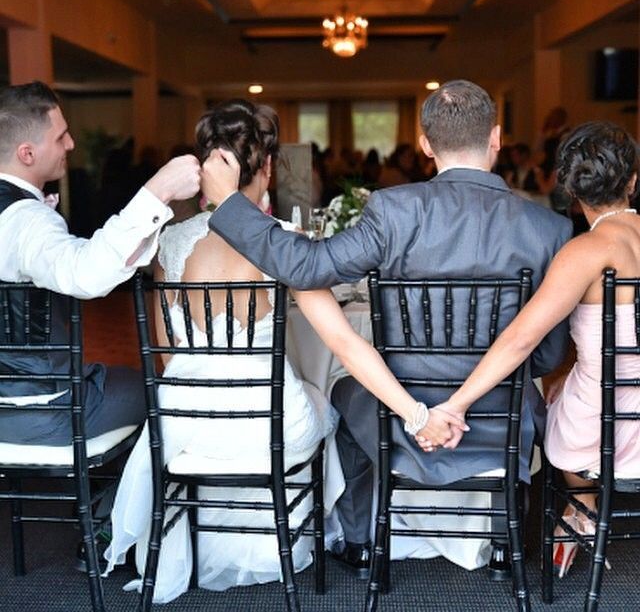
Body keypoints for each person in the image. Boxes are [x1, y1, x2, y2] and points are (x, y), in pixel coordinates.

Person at [201, 80, 573, 579]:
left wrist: (228, 203)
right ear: (497, 138)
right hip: (501, 412)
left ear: (424, 143)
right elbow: (547, 356)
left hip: (399, 411)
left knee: (342, 392)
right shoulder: (548, 229)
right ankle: (505, 545)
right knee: (535, 397)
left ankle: (359, 541)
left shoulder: (392, 210)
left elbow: (308, 268)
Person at [104, 99, 465, 603]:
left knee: (303, 396)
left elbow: (168, 351)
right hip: (266, 425)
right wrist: (414, 413)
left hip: (184, 421)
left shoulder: (170, 244)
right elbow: (343, 340)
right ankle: (309, 534)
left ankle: (213, 536)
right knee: (327, 397)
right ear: (269, 167)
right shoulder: (282, 243)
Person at [424, 120, 640, 578]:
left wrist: (456, 404)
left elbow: (521, 339)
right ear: (634, 181)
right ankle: (583, 506)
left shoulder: (587, 251)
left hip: (601, 426)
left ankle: (581, 503)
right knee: (569, 379)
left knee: (548, 395)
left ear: (568, 188)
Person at [0, 80, 201, 446]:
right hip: (41, 410)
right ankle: (120, 504)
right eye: (61, 137)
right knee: (162, 392)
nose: (71, 145)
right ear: (27, 153)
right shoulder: (25, 219)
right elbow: (87, 274)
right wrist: (159, 190)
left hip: (20, 403)